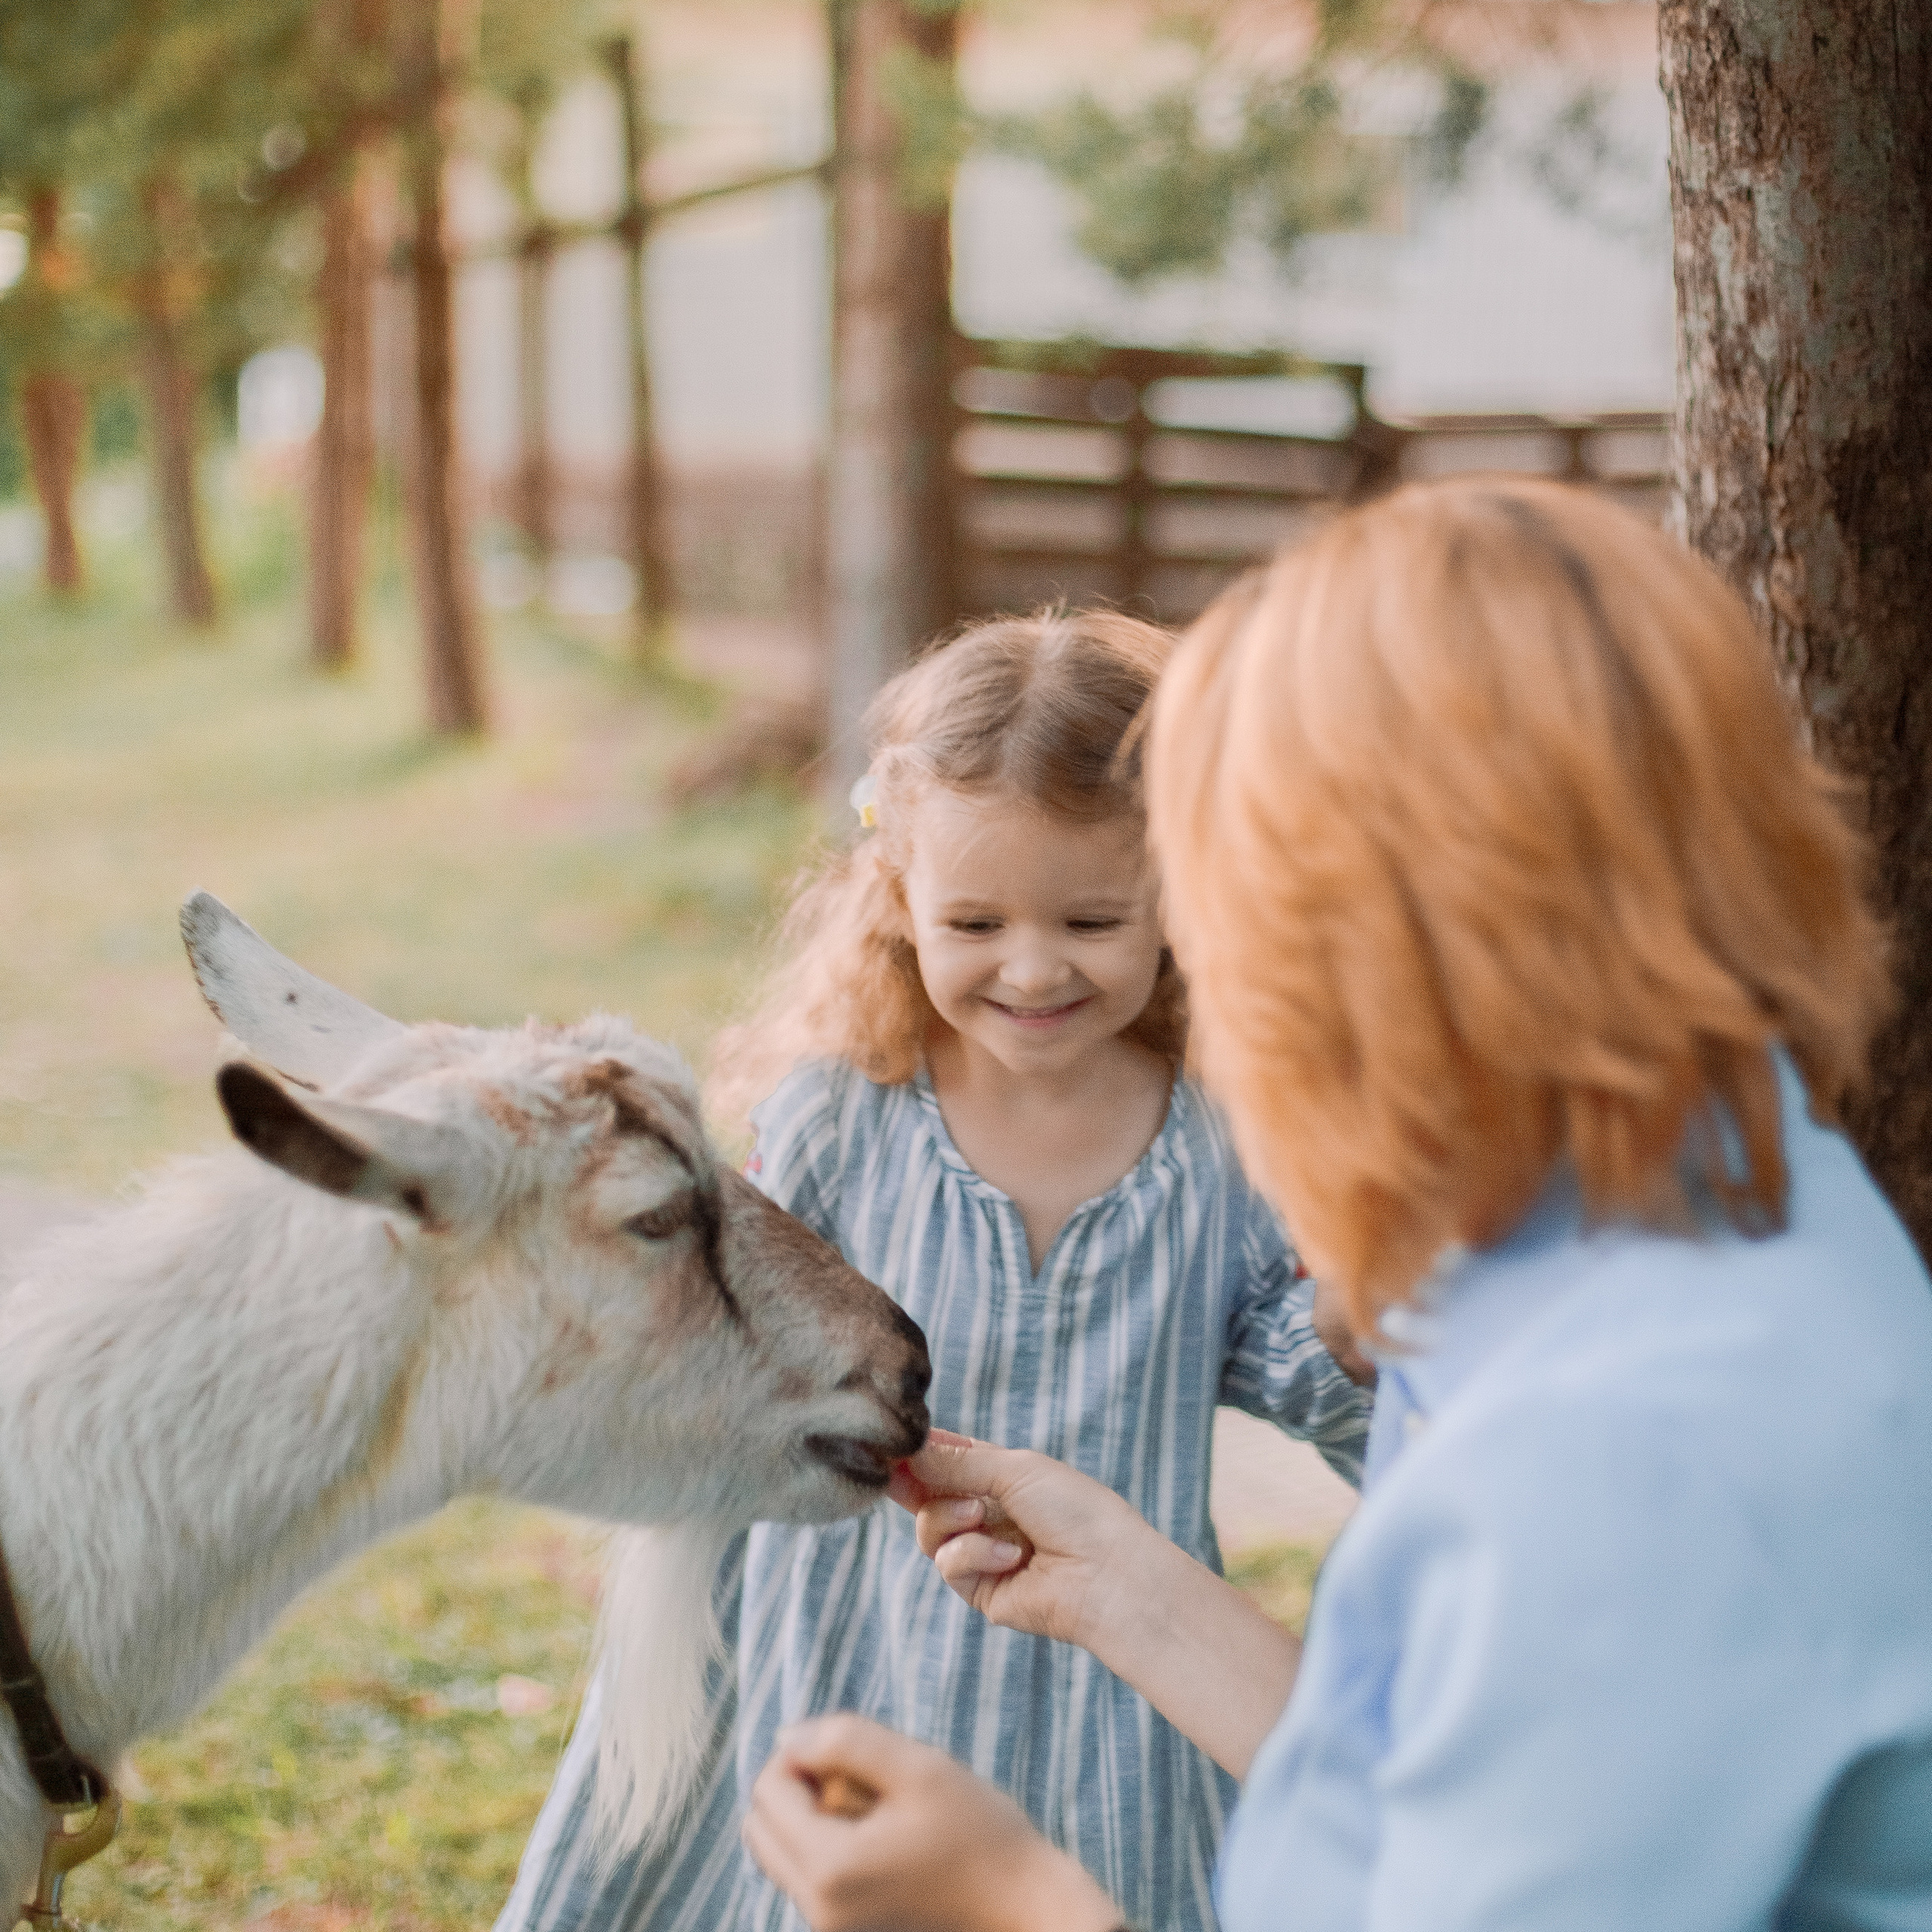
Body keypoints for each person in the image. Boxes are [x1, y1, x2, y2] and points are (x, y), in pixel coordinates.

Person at [740, 477, 1932, 1931]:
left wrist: (1012, 1903)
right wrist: (1127, 1588)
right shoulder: (1712, 1178)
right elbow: (1444, 1801)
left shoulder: (1622, 1456)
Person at [495, 609, 1374, 1932]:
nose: (1033, 965)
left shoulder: (1219, 1146)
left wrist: (1353, 1321)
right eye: (975, 920)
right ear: (898, 896)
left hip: (1111, 1688)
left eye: (1091, 918)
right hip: (856, 1637)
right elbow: (732, 1326)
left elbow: (1285, 1358)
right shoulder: (842, 1119)